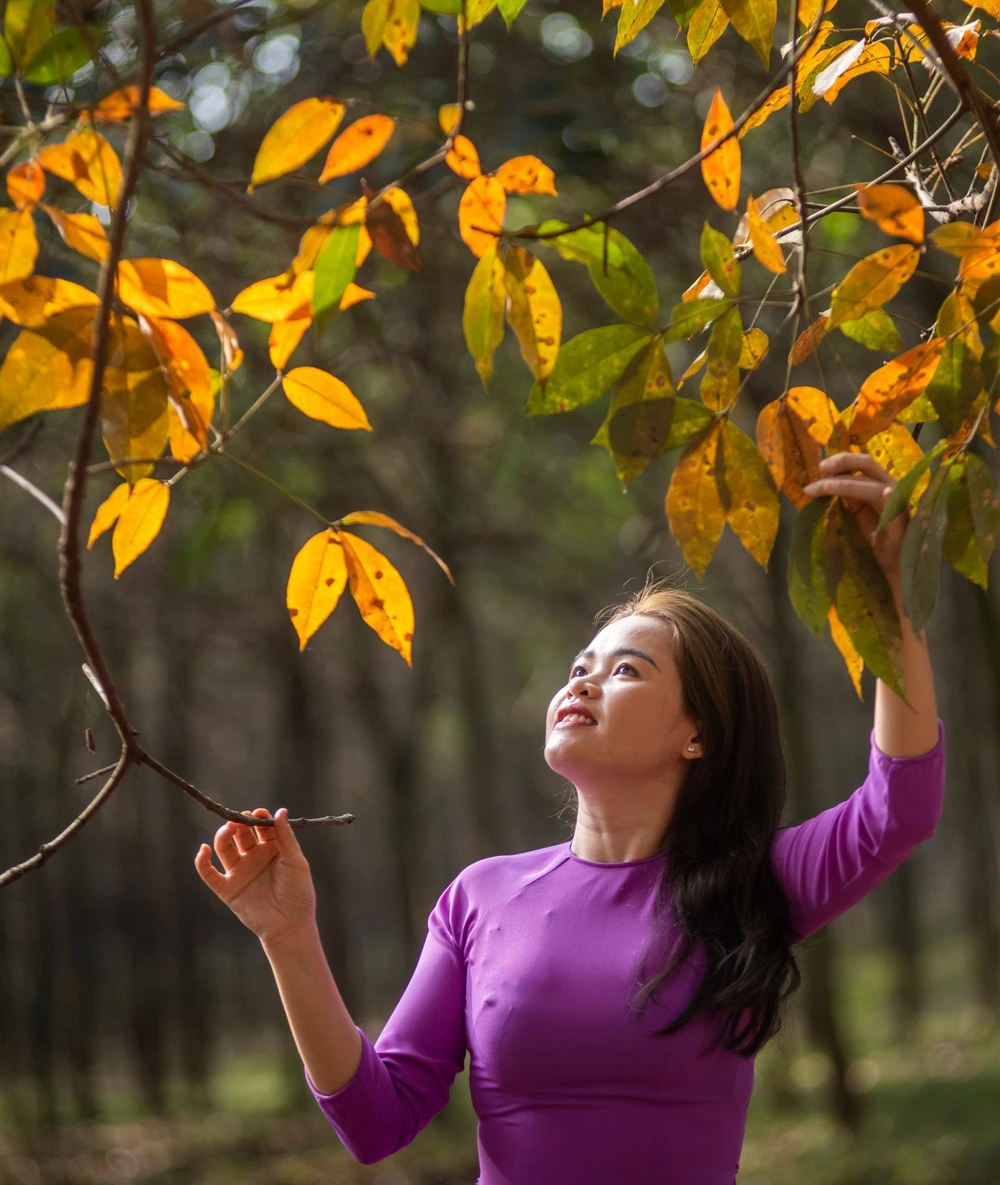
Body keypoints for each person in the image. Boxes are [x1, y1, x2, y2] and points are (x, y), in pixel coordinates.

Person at [195, 452, 945, 1185]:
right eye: (582, 664)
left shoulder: (753, 885)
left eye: (625, 670)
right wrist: (288, 940)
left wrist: (894, 600)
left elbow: (898, 808)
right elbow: (374, 1122)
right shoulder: (480, 899)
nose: (583, 679)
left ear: (699, 734)